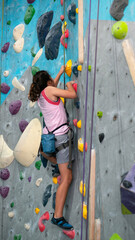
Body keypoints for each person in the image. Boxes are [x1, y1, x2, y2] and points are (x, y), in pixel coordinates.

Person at [28, 66, 77, 230]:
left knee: (64, 172)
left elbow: (52, 86)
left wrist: (60, 72)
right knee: (67, 177)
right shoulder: (50, 90)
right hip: (61, 137)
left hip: (51, 138)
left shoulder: (42, 95)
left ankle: (51, 159)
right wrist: (70, 84)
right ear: (47, 82)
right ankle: (58, 216)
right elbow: (72, 94)